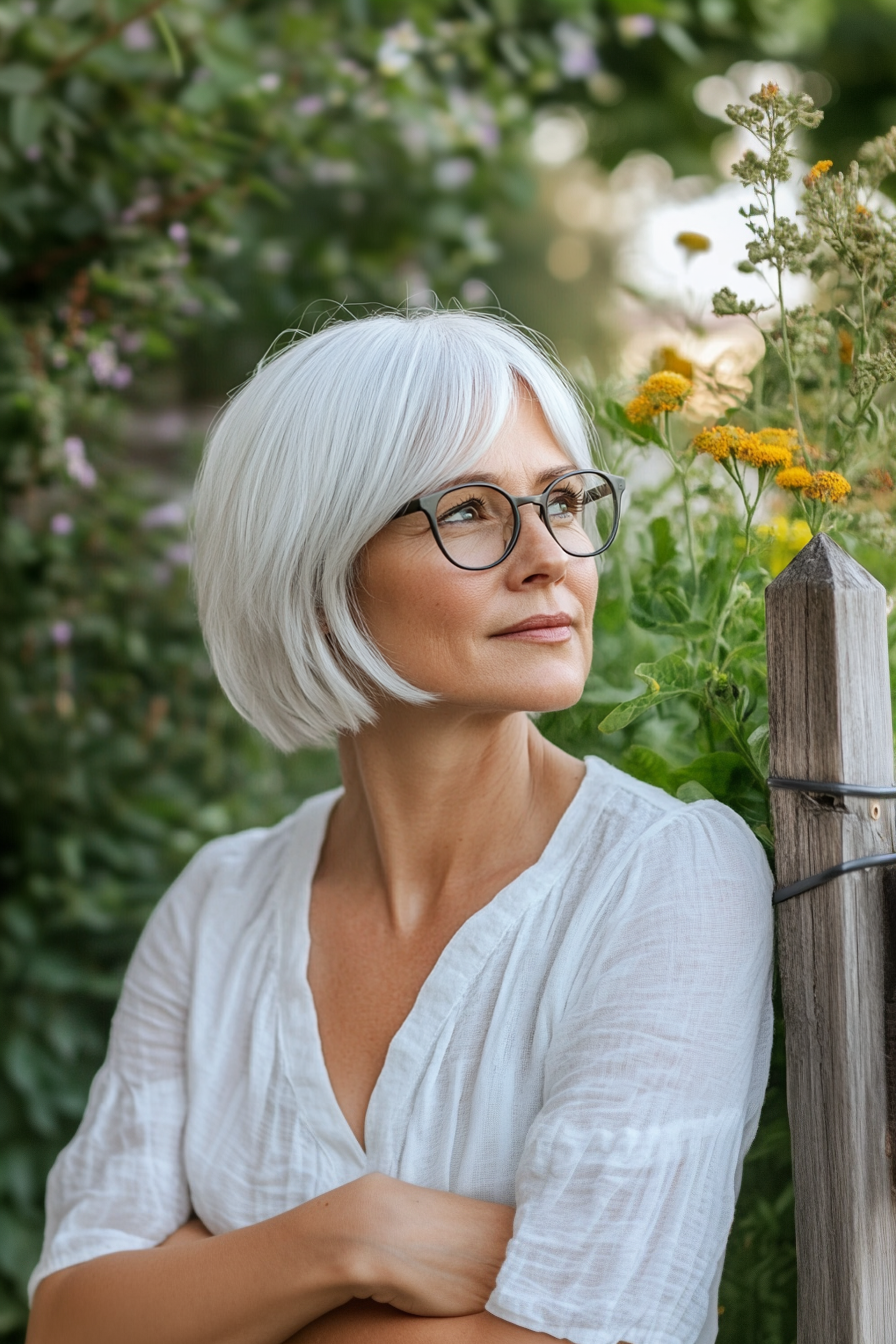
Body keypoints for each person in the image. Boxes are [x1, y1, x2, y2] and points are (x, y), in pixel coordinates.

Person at [26, 310, 773, 1344]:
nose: (546, 554)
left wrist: (223, 1289)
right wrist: (351, 1238)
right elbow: (72, 1318)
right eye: (468, 511)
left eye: (560, 499)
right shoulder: (218, 904)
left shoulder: (664, 880)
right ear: (317, 568)